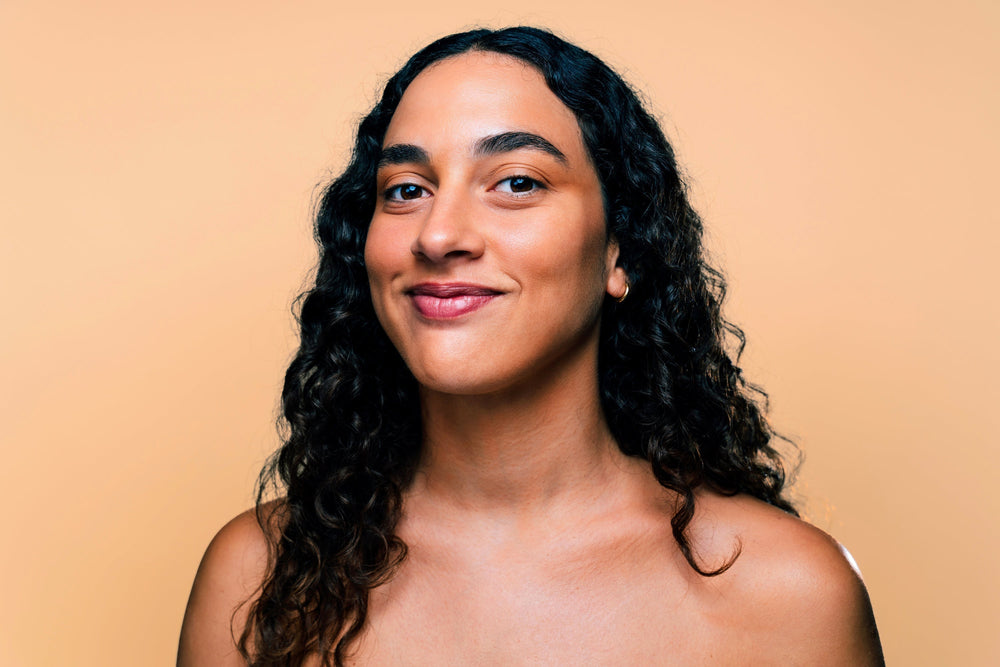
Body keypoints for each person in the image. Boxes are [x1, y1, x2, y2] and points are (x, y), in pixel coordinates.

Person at [178, 26, 883, 666]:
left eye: (517, 182)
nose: (437, 233)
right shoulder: (258, 577)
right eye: (406, 189)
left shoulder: (788, 595)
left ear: (619, 250)